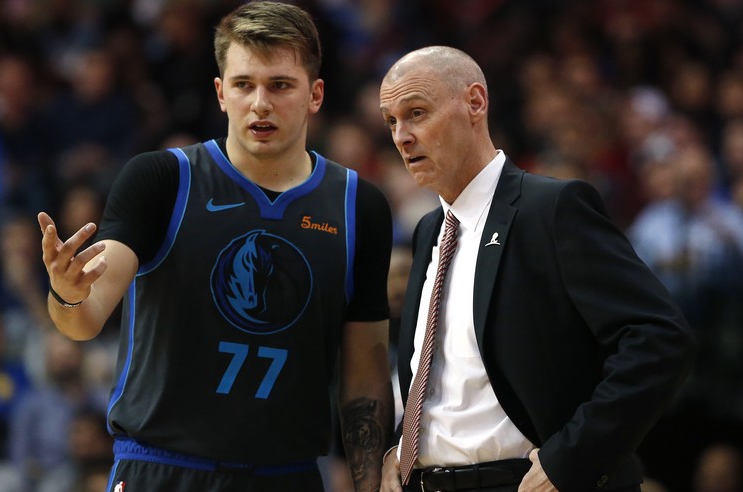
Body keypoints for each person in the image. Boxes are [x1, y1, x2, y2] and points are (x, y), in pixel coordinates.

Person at [37, 2, 394, 491]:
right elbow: (83, 319)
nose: (260, 103)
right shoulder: (161, 179)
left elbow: (365, 383)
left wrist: (370, 484)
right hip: (160, 468)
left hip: (287, 476)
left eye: (280, 85)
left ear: (315, 95)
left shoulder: (359, 208)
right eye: (244, 84)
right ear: (221, 93)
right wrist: (68, 292)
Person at [377, 46, 696, 492]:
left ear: (475, 102)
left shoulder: (551, 209)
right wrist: (399, 449)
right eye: (391, 121)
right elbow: (449, 382)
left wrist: (575, 456)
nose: (401, 136)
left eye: (416, 113)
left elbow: (661, 338)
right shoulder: (429, 230)